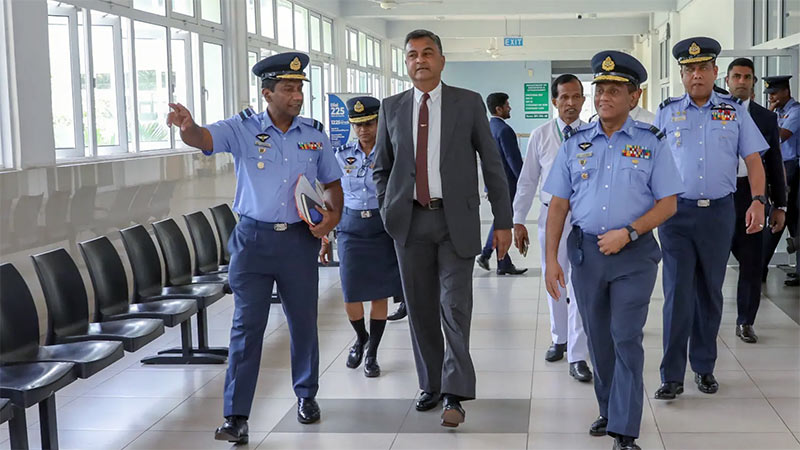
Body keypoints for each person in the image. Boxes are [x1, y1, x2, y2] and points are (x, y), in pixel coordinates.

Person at [166, 52, 343, 444]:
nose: (296, 95)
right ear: (267, 93)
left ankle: (306, 395)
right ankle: (236, 416)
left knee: (302, 323)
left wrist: (331, 218)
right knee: (247, 328)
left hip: (299, 241)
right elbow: (204, 139)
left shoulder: (314, 135)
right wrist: (187, 125)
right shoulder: (242, 129)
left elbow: (332, 184)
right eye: (288, 88)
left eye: (299, 88)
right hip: (252, 242)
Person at [373, 29, 513, 428]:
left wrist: (502, 221)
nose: (421, 60)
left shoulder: (466, 104)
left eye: (428, 53)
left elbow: (492, 164)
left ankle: (455, 392)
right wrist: (389, 207)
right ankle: (430, 384)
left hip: (456, 222)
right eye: (413, 54)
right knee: (418, 309)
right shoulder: (391, 108)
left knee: (454, 307)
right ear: (406, 63)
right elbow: (381, 167)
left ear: (441, 60)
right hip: (409, 221)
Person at [543, 51, 683, 450]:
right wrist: (552, 259)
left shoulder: (651, 142)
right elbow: (558, 205)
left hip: (633, 256)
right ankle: (608, 409)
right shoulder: (575, 144)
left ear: (634, 96)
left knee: (625, 337)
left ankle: (624, 430)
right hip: (586, 255)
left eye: (614, 90)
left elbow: (668, 203)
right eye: (600, 89)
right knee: (599, 340)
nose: (604, 96)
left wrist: (630, 232)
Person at [655, 37, 767, 401]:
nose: (697, 75)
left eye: (703, 68)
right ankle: (672, 375)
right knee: (676, 294)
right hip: (675, 214)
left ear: (715, 72)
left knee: (709, 293)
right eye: (689, 69)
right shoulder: (667, 112)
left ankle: (704, 367)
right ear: (682, 75)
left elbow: (753, 160)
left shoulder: (734, 112)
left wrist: (758, 202)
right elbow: (651, 166)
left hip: (719, 213)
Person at [513, 74, 592, 382]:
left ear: (584, 100)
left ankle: (577, 353)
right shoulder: (541, 135)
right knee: (554, 278)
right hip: (551, 217)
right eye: (564, 98)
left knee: (580, 285)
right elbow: (528, 180)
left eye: (576, 97)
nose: (570, 103)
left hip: (584, 218)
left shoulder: (593, 134)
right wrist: (518, 219)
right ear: (554, 101)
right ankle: (559, 337)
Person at [319, 96, 404, 377]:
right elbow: (330, 195)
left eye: (368, 123)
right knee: (351, 292)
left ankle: (373, 352)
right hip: (350, 229)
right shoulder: (341, 154)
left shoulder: (391, 152)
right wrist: (325, 234)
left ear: (379, 123)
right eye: (358, 125)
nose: (363, 130)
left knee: (379, 294)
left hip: (381, 228)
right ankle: (360, 337)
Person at [725, 59, 787, 342]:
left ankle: (745, 321)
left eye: (747, 77)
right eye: (736, 76)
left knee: (752, 262)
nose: (741, 81)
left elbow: (775, 162)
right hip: (719, 195)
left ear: (753, 82)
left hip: (753, 196)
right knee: (710, 264)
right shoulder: (715, 111)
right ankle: (705, 320)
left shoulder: (766, 118)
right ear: (726, 80)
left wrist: (780, 206)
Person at [476, 92, 527, 275]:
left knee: (502, 220)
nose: (509, 108)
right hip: (507, 186)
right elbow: (513, 160)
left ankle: (503, 263)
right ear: (499, 108)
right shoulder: (505, 131)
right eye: (507, 105)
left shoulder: (488, 128)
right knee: (503, 221)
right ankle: (486, 253)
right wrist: (525, 181)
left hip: (492, 184)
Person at [762, 75, 800, 287]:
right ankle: (761, 267)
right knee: (779, 218)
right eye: (770, 94)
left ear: (786, 91)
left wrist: (767, 116)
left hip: (792, 170)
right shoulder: (777, 113)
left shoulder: (795, 111)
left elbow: (780, 136)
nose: (772, 98)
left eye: (775, 93)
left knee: (791, 220)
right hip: (779, 169)